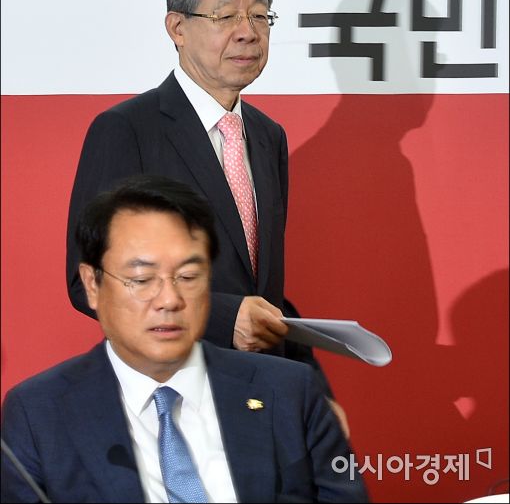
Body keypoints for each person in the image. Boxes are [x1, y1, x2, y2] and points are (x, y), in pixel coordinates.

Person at [2, 175, 368, 503]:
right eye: (142, 279)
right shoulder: (38, 414)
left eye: (189, 276)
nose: (169, 300)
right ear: (92, 284)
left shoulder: (290, 392)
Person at [66, 0, 329, 393]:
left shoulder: (268, 136)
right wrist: (223, 318)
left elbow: (258, 288)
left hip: (260, 393)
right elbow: (88, 279)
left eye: (259, 15)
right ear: (178, 28)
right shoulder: (128, 129)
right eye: (225, 16)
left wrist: (314, 386)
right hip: (169, 386)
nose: (247, 32)